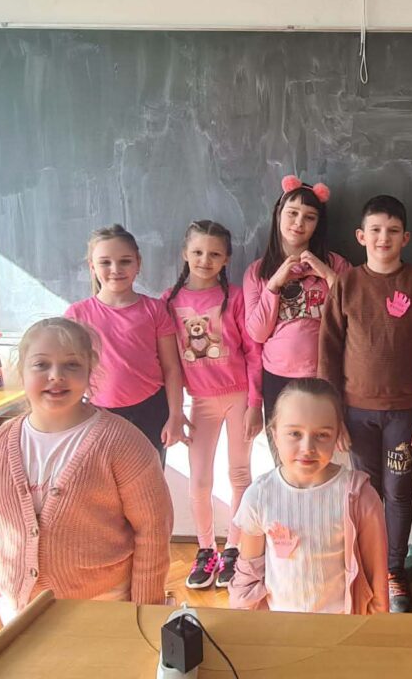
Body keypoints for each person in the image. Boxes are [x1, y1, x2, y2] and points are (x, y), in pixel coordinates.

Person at [0, 318, 173, 662]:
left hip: (104, 612)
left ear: (90, 370)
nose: (56, 376)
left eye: (71, 365)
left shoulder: (123, 444)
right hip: (19, 617)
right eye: (41, 364)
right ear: (21, 370)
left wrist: (145, 615)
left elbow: (153, 531)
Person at [318, 194, 412, 612]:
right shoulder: (347, 285)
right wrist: (333, 417)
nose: (383, 238)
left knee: (398, 491)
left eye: (392, 231)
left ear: (406, 238)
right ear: (361, 236)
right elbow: (328, 354)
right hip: (355, 414)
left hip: (405, 415)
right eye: (375, 230)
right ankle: (366, 566)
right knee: (365, 492)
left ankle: (393, 570)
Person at [228, 378, 388, 614]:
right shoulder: (259, 496)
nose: (307, 448)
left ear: (337, 435)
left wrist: (373, 628)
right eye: (295, 433)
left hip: (341, 626)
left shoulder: (359, 496)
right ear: (274, 434)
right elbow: (249, 572)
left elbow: (376, 579)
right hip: (280, 626)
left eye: (322, 435)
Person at [164, 220, 264, 590]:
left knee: (239, 474)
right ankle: (206, 549)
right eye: (197, 252)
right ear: (185, 254)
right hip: (200, 402)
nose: (205, 260)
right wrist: (175, 410)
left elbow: (253, 352)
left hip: (238, 398)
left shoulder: (234, 297)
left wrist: (255, 403)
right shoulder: (169, 302)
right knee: (200, 480)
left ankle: (234, 548)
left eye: (214, 254)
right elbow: (168, 363)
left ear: (226, 259)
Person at [65, 224, 185, 463]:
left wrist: (176, 415)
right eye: (105, 262)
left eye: (125, 261)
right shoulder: (77, 315)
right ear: (92, 266)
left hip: (151, 410)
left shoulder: (155, 310)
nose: (115, 269)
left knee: (148, 477)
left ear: (138, 263)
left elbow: (172, 368)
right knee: (105, 478)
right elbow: (69, 370)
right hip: (98, 413)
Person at [244, 176, 349, 439]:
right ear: (278, 214)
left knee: (320, 447)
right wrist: (275, 284)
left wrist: (327, 274)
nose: (299, 223)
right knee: (284, 449)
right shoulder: (257, 272)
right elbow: (257, 333)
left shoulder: (336, 265)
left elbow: (355, 315)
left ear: (318, 224)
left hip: (324, 372)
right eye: (292, 213)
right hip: (277, 375)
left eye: (309, 217)